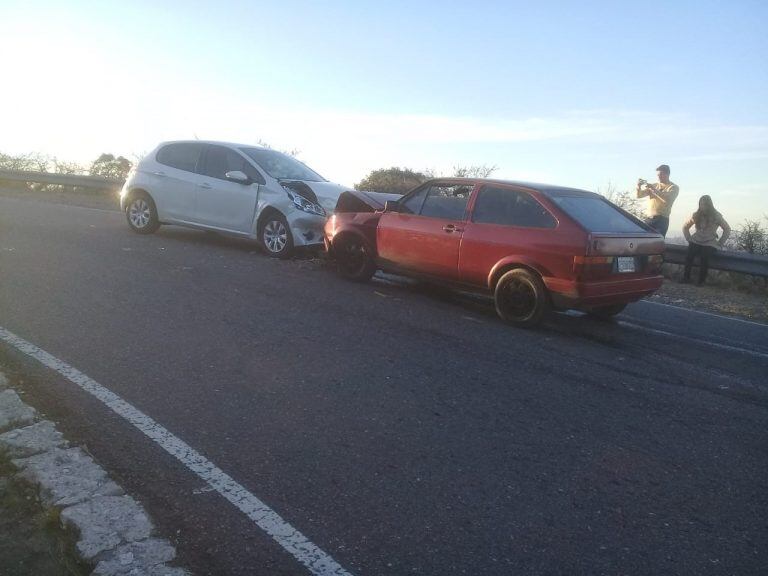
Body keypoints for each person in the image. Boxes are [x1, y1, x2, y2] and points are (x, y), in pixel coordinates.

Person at [682, 195, 731, 285]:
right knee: (689, 255)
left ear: (709, 205)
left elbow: (727, 229)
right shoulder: (696, 215)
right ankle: (686, 278)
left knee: (704, 257)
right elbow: (685, 227)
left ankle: (701, 281)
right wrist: (689, 238)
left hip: (710, 242)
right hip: (696, 240)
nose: (703, 206)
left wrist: (720, 243)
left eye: (705, 204)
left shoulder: (717, 216)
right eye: (701, 204)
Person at [636, 164, 679, 236]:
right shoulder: (655, 185)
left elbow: (666, 200)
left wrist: (654, 190)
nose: (658, 176)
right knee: (644, 241)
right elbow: (639, 195)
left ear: (667, 174)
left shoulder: (673, 187)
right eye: (658, 175)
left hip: (661, 220)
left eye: (661, 174)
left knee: (657, 242)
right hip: (649, 218)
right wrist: (638, 186)